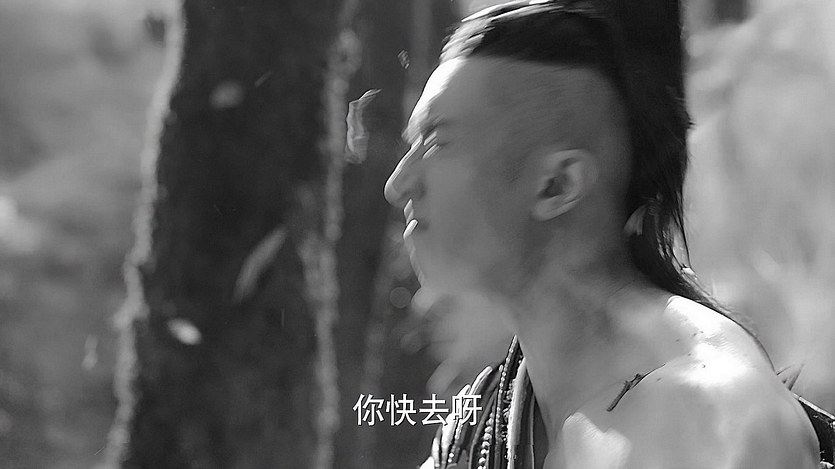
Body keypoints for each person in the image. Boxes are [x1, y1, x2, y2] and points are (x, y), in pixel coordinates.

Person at [383, 1, 835, 468]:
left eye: (439, 142)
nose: (397, 184)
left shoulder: (708, 415)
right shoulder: (484, 424)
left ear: (557, 185)